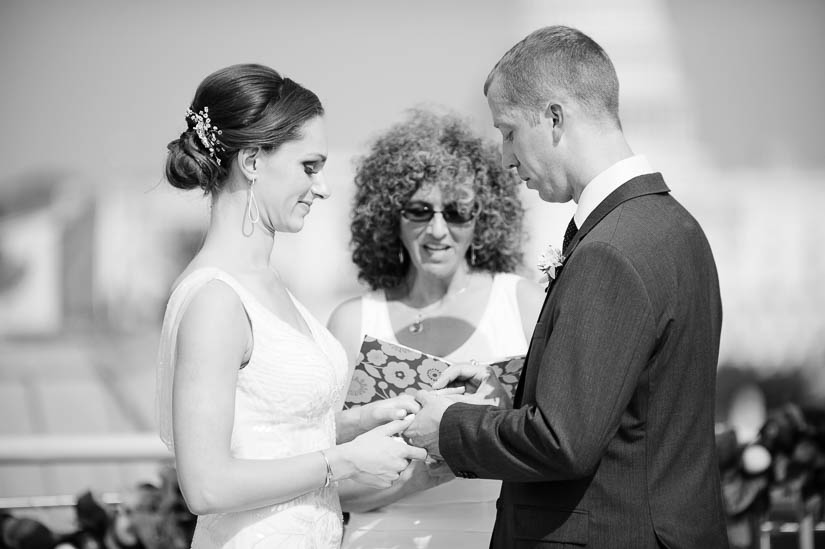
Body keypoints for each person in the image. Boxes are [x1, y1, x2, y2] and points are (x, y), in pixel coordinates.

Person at [405, 26, 729, 548]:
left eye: (508, 132)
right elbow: (636, 402)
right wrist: (509, 386)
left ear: (554, 117)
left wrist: (448, 427)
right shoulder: (677, 227)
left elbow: (563, 442)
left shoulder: (610, 250)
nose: (505, 159)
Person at [155, 63, 426, 549]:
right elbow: (206, 485)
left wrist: (368, 421)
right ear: (253, 161)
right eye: (310, 166)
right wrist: (348, 461)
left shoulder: (269, 284)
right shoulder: (215, 300)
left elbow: (273, 435)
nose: (322, 187)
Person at [327, 108, 544, 548]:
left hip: (495, 535)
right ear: (391, 215)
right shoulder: (353, 321)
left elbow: (552, 438)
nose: (438, 230)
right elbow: (332, 485)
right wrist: (435, 469)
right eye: (420, 211)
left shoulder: (521, 304)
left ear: (484, 216)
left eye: (458, 212)